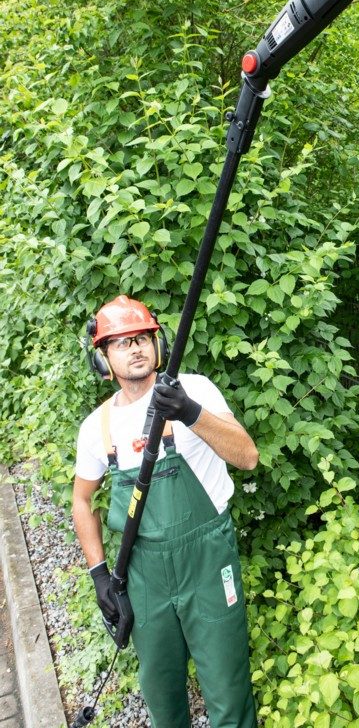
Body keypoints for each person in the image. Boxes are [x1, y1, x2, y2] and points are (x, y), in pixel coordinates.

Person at [72, 294, 259, 728]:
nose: (135, 348)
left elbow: (247, 456)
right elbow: (82, 501)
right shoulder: (97, 428)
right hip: (144, 572)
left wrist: (190, 413)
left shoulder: (194, 389)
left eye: (142, 338)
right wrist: (100, 575)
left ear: (158, 344)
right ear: (102, 359)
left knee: (229, 687)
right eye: (121, 342)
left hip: (207, 560)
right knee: (160, 691)